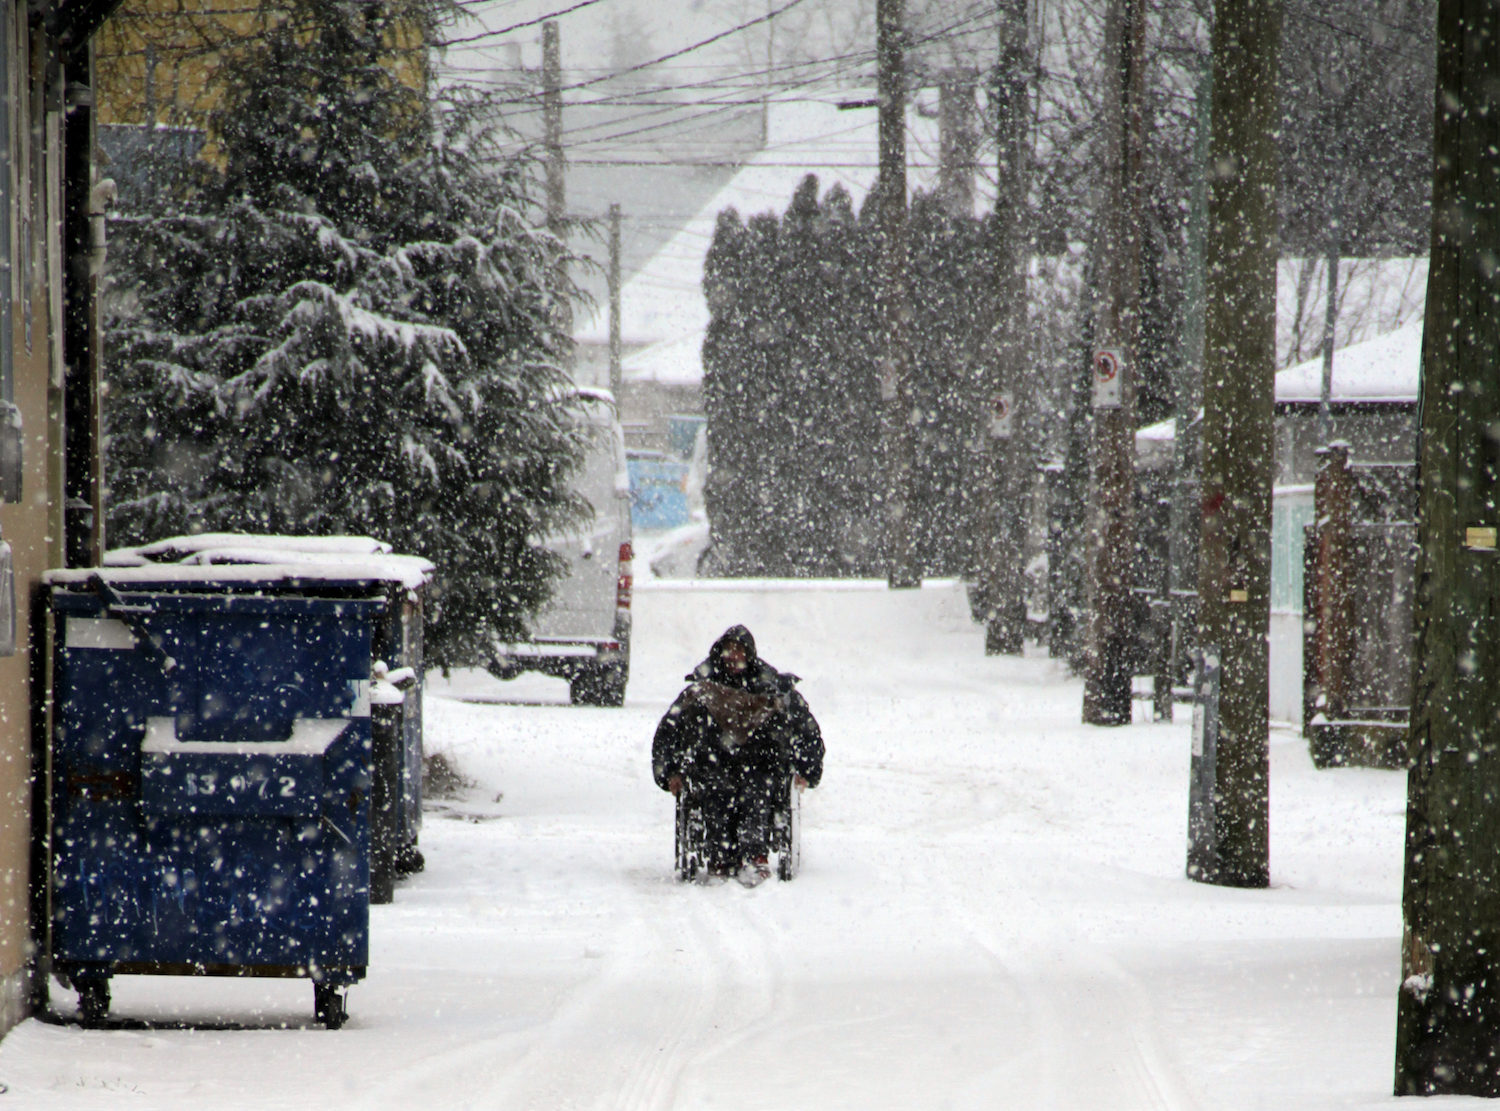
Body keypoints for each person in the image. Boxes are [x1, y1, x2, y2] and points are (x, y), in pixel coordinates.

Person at [653, 625, 823, 886]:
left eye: (739, 651)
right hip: (713, 764)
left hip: (760, 765)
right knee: (716, 790)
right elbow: (668, 732)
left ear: (750, 655)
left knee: (756, 791)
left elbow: (806, 729)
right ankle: (719, 861)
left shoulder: (774, 690)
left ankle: (756, 857)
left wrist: (807, 771)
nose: (733, 657)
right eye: (729, 651)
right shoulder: (700, 691)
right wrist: (670, 774)